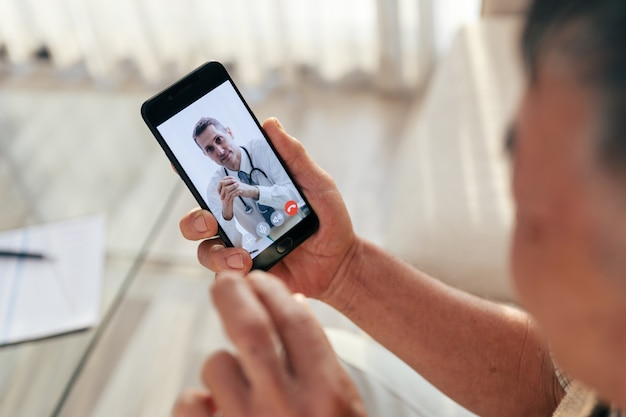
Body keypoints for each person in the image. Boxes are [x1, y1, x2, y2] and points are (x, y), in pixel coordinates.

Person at [174, 1, 626, 416]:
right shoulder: (604, 364)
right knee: (324, 362)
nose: (518, 260)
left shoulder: (257, 150)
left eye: (531, 219)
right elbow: (558, 384)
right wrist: (344, 269)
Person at [192, 117, 301, 247]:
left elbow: (296, 194)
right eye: (210, 149)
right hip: (268, 247)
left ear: (230, 133)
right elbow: (235, 245)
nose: (220, 151)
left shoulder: (263, 148)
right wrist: (227, 213)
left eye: (219, 140)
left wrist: (254, 191)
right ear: (206, 155)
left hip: (300, 224)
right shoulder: (214, 189)